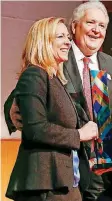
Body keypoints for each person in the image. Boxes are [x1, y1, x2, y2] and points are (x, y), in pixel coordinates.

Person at [4, 2, 112, 201]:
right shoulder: (55, 59)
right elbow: (21, 102)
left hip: (103, 169)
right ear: (74, 27)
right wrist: (17, 112)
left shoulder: (111, 65)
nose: (97, 30)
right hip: (64, 170)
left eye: (102, 25)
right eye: (91, 23)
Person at [5, 17, 99, 201]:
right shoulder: (34, 75)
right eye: (60, 36)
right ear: (43, 42)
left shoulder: (55, 79)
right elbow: (36, 129)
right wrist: (78, 135)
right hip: (45, 184)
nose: (68, 42)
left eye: (68, 37)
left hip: (64, 182)